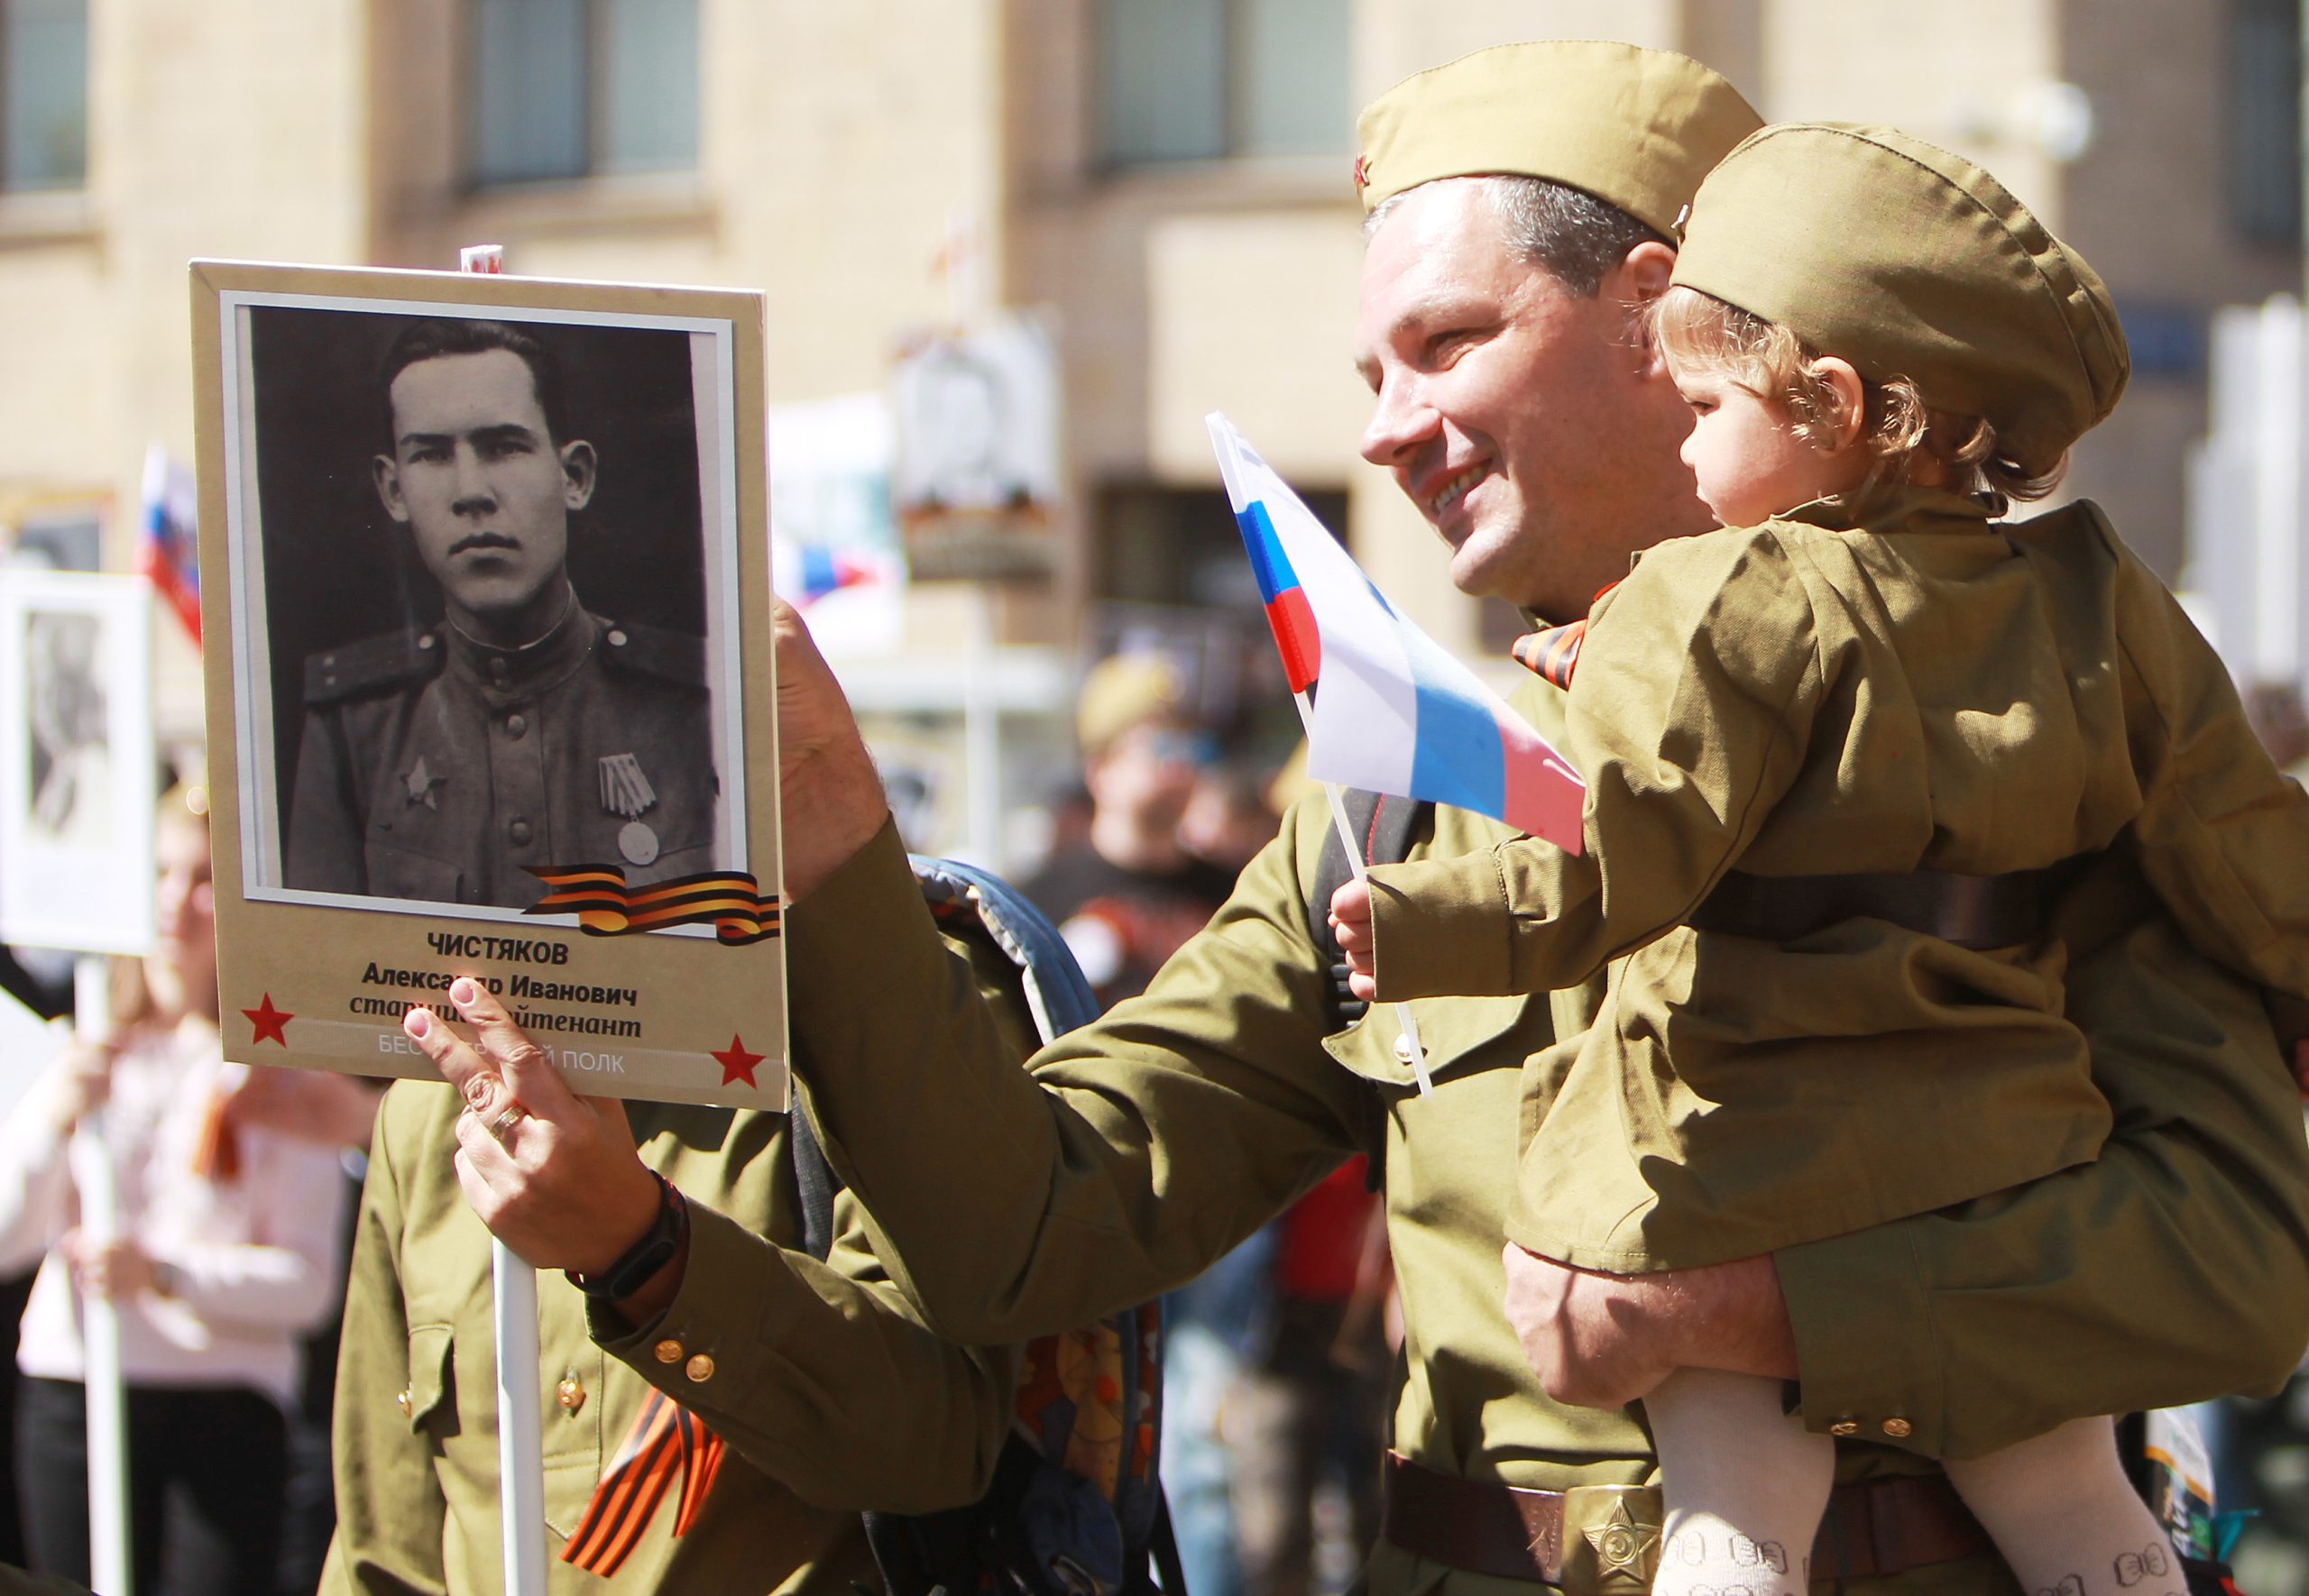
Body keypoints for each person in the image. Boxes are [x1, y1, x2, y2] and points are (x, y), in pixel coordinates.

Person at [390, 41, 2309, 1596]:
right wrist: (827, 850)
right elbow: (1033, 1232)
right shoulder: (1400, 789)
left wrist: (1751, 1311)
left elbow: (2238, 1253)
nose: (1384, 429)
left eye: (1446, 341)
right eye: (1368, 372)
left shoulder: (2028, 708)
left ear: (1664, 319)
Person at [1332, 120, 2309, 1596]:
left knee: (1734, 1524)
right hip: (2005, 1146)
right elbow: (2242, 841)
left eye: (1710, 401)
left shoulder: (1726, 596)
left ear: (1835, 404)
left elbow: (1619, 852)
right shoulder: (2101, 597)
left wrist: (1423, 925)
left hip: (1742, 1153)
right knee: (2083, 1512)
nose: (1686, 435)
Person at [320, 974, 1020, 1589]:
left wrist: (641, 1252)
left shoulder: (883, 1010)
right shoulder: (426, 1108)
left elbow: (935, 1447)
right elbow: (382, 1551)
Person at [0, 785, 350, 1596]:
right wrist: (55, 1116)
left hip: (222, 1404)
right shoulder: (78, 1046)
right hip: (76, 1390)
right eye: (158, 873)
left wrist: (164, 1275)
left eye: (201, 880)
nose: (173, 903)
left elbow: (308, 1288)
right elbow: (10, 1238)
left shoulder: (278, 1070)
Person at [284, 317, 716, 910]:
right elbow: (318, 973)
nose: (471, 492)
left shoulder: (695, 708)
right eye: (432, 456)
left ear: (574, 476)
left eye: (503, 447)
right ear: (393, 491)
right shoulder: (357, 727)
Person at [1023, 651, 1237, 1005]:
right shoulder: (1038, 901)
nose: (1181, 766)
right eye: (1163, 748)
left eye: (1195, 748)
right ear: (1101, 769)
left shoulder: (1232, 892)